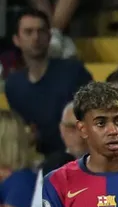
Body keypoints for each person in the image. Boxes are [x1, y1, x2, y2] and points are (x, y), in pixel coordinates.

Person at [5, 9, 92, 155]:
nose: (36, 37)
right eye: (28, 32)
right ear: (16, 40)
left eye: (41, 31)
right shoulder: (13, 85)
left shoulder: (73, 72)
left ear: (50, 36)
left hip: (75, 158)